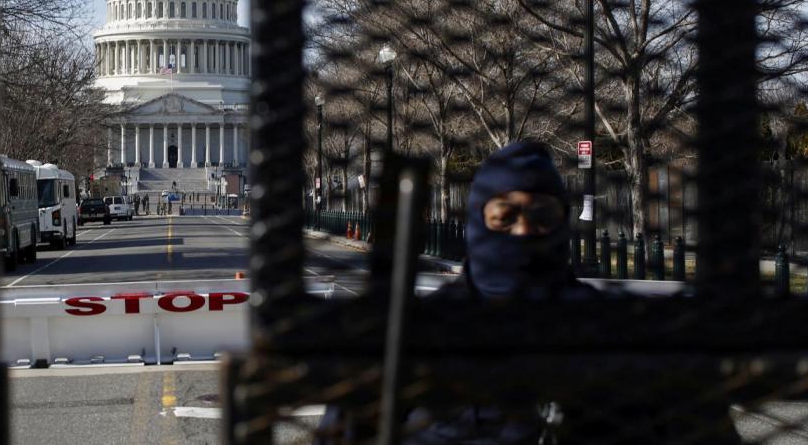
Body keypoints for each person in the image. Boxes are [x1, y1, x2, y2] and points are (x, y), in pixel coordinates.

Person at [317, 141, 741, 444]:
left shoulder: (624, 330)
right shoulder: (408, 335)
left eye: (542, 216)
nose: (524, 230)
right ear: (480, 224)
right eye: (505, 216)